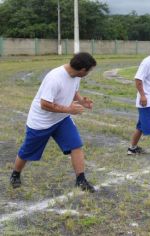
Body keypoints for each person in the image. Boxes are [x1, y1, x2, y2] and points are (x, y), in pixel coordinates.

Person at [10, 52, 97, 192]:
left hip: (61, 119)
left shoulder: (75, 75)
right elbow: (44, 104)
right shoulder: (55, 78)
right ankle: (15, 174)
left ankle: (81, 180)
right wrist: (68, 109)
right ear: (82, 70)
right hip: (41, 122)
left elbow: (73, 91)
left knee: (76, 145)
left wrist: (82, 101)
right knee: (27, 151)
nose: (89, 73)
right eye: (89, 70)